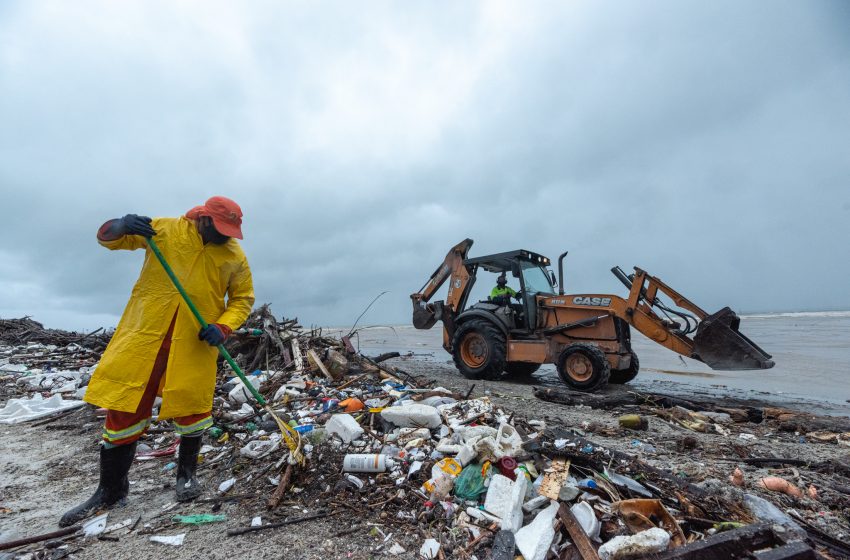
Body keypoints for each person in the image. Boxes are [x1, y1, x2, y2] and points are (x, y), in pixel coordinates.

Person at [59, 196, 255, 527]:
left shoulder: (234, 255)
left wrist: (224, 327)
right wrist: (121, 224)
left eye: (230, 231)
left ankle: (186, 477)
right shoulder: (164, 229)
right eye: (221, 229)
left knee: (194, 408)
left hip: (194, 342)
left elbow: (242, 299)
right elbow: (108, 239)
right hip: (145, 337)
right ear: (204, 218)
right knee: (124, 406)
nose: (225, 236)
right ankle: (111, 490)